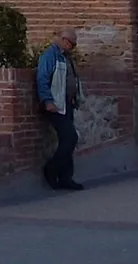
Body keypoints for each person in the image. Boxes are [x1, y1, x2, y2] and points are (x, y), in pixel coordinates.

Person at [35, 28, 83, 191]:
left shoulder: (67, 58)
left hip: (67, 104)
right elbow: (42, 78)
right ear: (64, 40)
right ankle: (51, 169)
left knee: (67, 140)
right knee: (70, 137)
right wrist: (47, 100)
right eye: (72, 43)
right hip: (55, 105)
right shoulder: (50, 56)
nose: (73, 47)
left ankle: (65, 177)